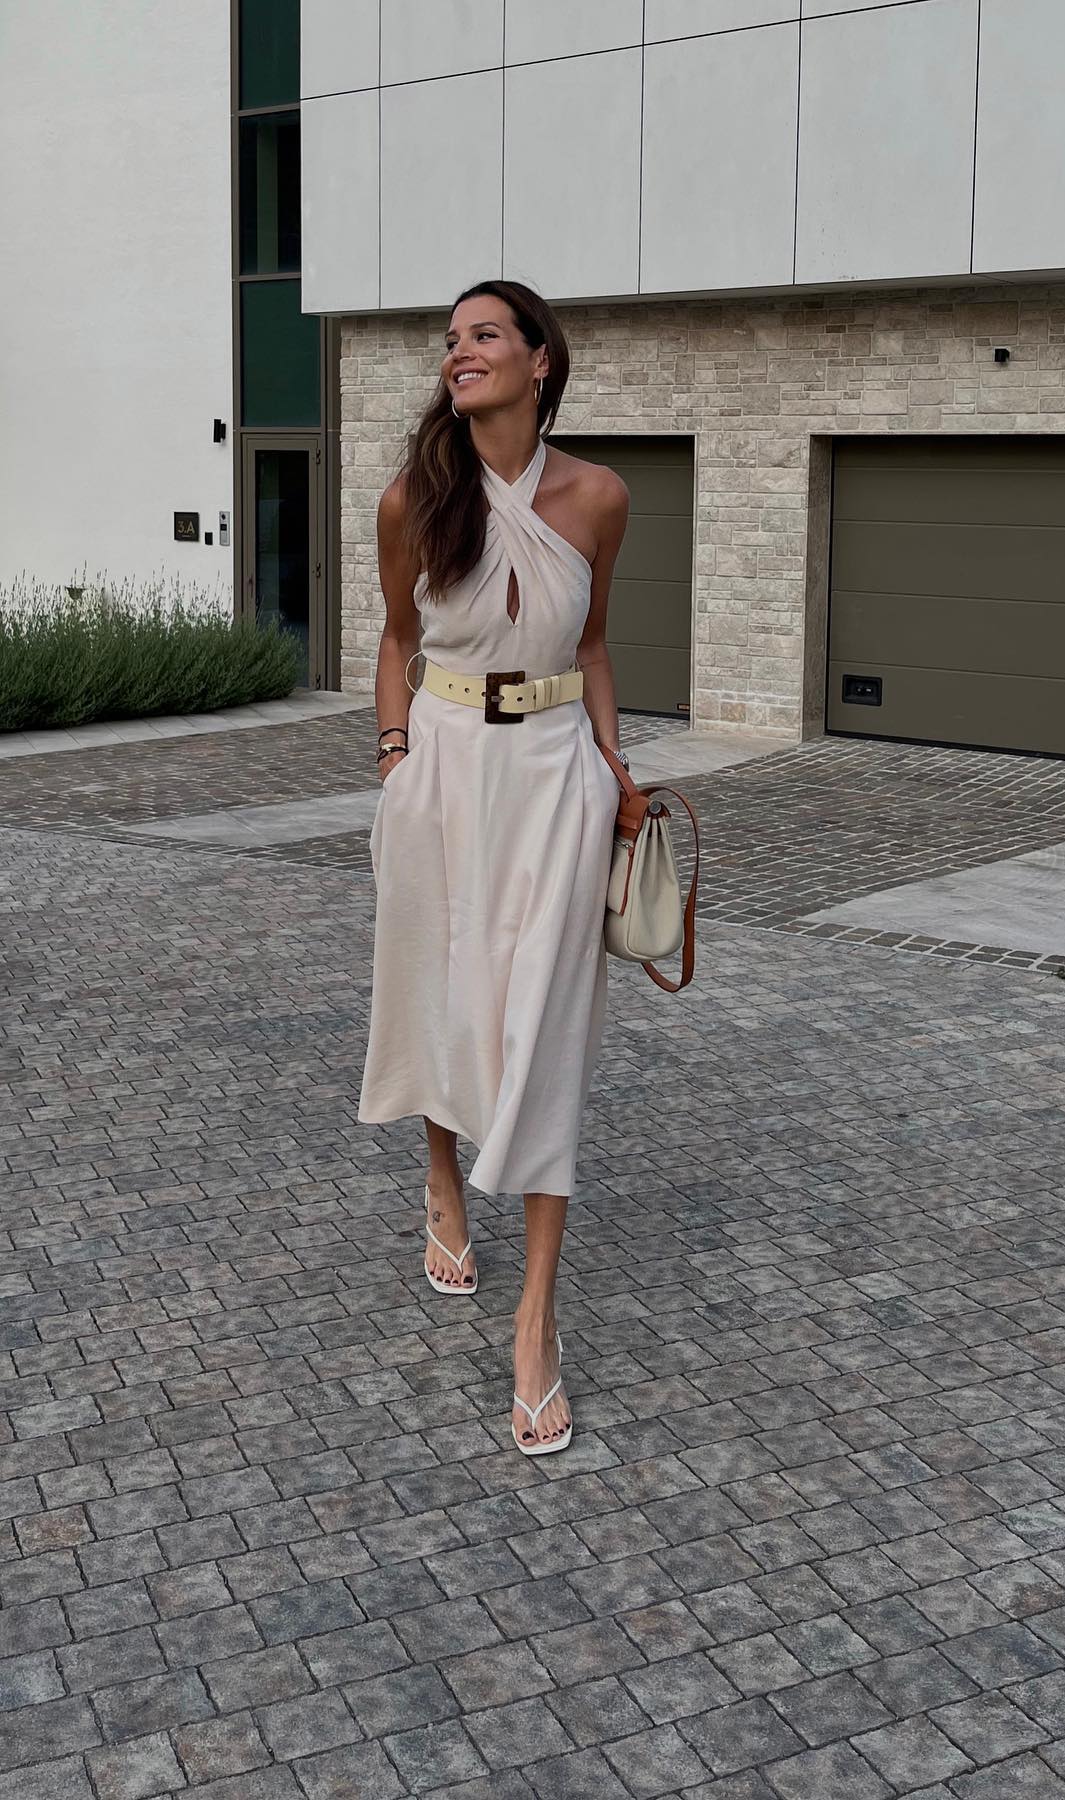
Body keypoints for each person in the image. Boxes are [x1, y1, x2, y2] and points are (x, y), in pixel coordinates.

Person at [357, 279, 630, 1456]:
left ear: (539, 359)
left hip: (557, 775)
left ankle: (536, 1321)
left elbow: (594, 641)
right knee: (443, 991)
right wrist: (395, 759)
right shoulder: (414, 498)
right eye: (450, 341)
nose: (459, 353)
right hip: (445, 770)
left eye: (483, 335)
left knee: (546, 1023)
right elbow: (396, 640)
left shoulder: (599, 496)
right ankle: (441, 1180)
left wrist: (617, 771)